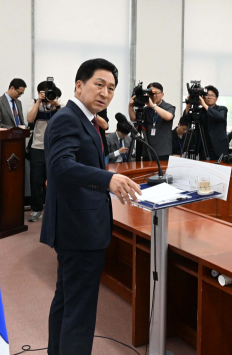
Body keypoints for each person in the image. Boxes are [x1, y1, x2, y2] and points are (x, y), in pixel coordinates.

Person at [41, 58, 141, 355]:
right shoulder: (68, 118)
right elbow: (60, 166)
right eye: (99, 84)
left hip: (78, 225)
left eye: (111, 88)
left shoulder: (86, 120)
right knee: (80, 311)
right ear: (79, 85)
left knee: (67, 300)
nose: (105, 92)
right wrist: (107, 179)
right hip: (78, 229)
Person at [27, 80, 61, 222]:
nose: (47, 95)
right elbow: (29, 119)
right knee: (36, 180)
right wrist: (38, 102)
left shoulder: (59, 104)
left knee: (55, 179)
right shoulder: (34, 102)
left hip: (55, 149)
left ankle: (55, 208)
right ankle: (36, 209)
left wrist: (56, 104)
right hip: (37, 148)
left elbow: (67, 119)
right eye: (44, 92)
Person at [128, 82, 175, 161]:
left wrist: (153, 106)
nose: (154, 96)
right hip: (147, 150)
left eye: (156, 93)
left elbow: (168, 116)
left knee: (162, 173)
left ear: (162, 94)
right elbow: (133, 118)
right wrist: (130, 106)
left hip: (163, 151)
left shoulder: (169, 107)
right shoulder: (146, 109)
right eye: (151, 93)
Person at [183, 85, 229, 160]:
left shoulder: (222, 109)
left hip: (220, 148)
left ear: (216, 99)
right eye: (207, 95)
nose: (209, 97)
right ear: (203, 97)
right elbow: (185, 120)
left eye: (212, 95)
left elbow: (220, 117)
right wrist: (188, 104)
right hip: (204, 149)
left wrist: (204, 104)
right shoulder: (200, 111)